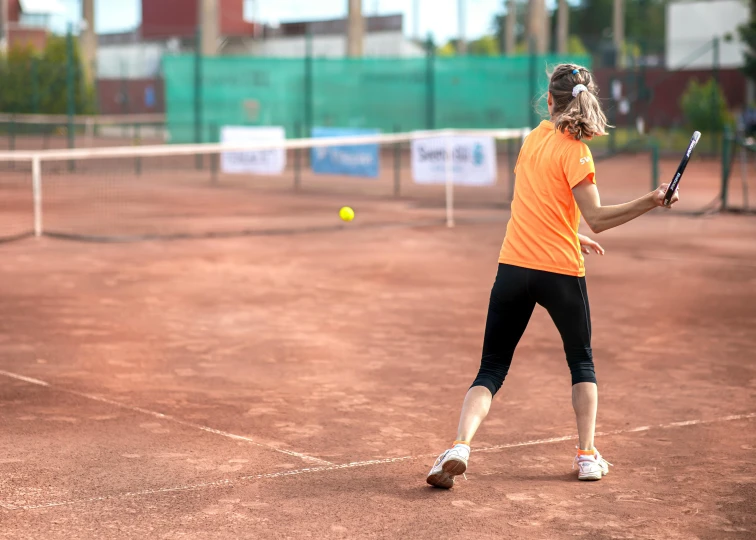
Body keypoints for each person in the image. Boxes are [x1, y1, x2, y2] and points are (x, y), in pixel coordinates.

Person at [426, 64, 680, 488]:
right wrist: (652, 200)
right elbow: (597, 218)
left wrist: (570, 233)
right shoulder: (577, 151)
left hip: (513, 268)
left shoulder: (532, 139)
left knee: (490, 369)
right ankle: (586, 456)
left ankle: (459, 446)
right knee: (581, 362)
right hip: (559, 273)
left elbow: (534, 204)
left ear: (549, 101)